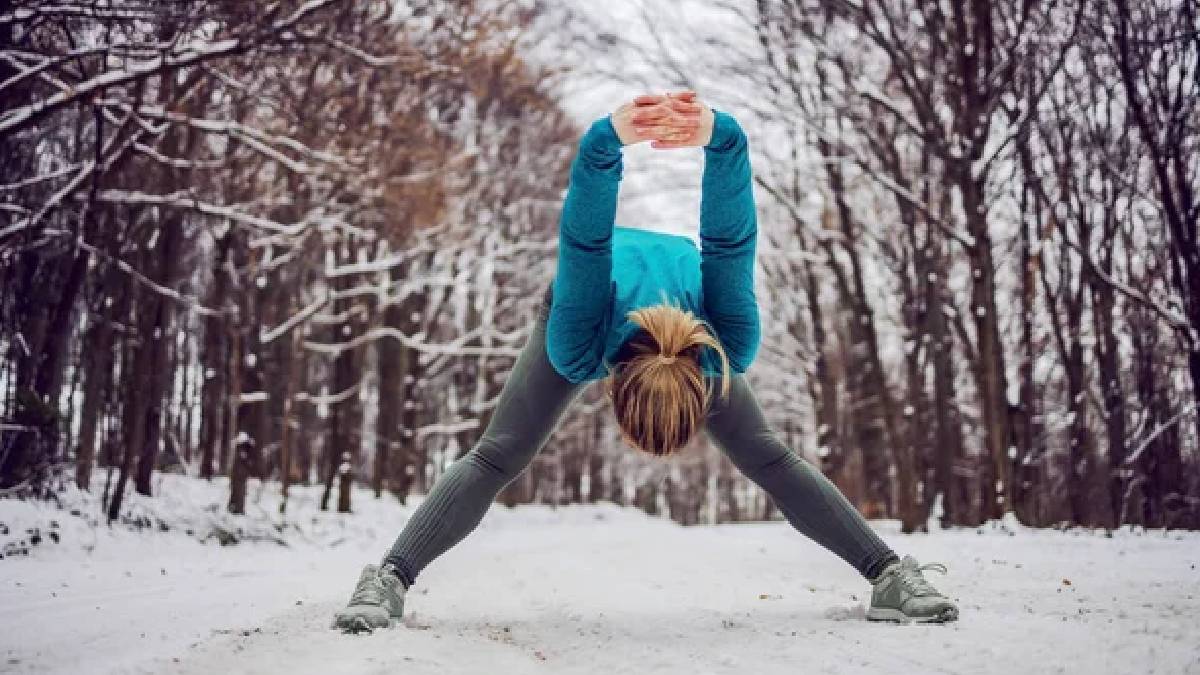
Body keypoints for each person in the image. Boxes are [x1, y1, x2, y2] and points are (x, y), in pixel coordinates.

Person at [332, 91, 958, 632]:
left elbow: (726, 241)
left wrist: (712, 138)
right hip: (591, 297)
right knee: (498, 452)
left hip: (667, 292)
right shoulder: (578, 342)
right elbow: (587, 244)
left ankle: (890, 576)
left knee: (770, 453)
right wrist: (639, 139)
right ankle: (389, 576)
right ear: (609, 385)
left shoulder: (722, 345)